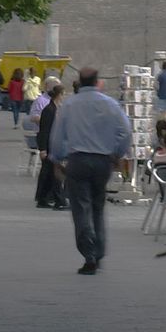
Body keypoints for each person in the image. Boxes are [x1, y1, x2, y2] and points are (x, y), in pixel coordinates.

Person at [48, 68, 132, 271]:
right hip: (103, 161)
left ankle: (89, 252)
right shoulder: (110, 104)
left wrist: (57, 159)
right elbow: (126, 132)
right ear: (97, 82)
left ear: (80, 81)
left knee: (81, 207)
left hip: (78, 160)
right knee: (97, 205)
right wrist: (117, 153)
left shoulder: (69, 105)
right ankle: (99, 250)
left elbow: (58, 136)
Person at [34, 83, 66, 210]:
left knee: (48, 174)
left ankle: (43, 198)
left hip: (53, 146)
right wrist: (43, 149)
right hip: (49, 146)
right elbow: (45, 130)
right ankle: (58, 200)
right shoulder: (49, 110)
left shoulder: (55, 108)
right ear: (59, 95)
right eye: (63, 94)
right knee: (53, 173)